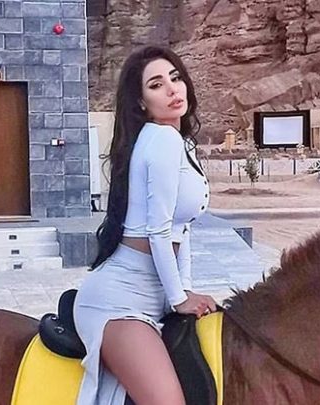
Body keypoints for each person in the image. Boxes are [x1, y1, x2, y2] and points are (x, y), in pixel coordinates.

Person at [73, 45, 218, 405]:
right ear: (141, 102)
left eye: (175, 78)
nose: (172, 89)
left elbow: (181, 229)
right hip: (119, 302)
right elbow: (158, 231)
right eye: (156, 85)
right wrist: (180, 298)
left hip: (152, 297)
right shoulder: (162, 138)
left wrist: (183, 290)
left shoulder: (180, 142)